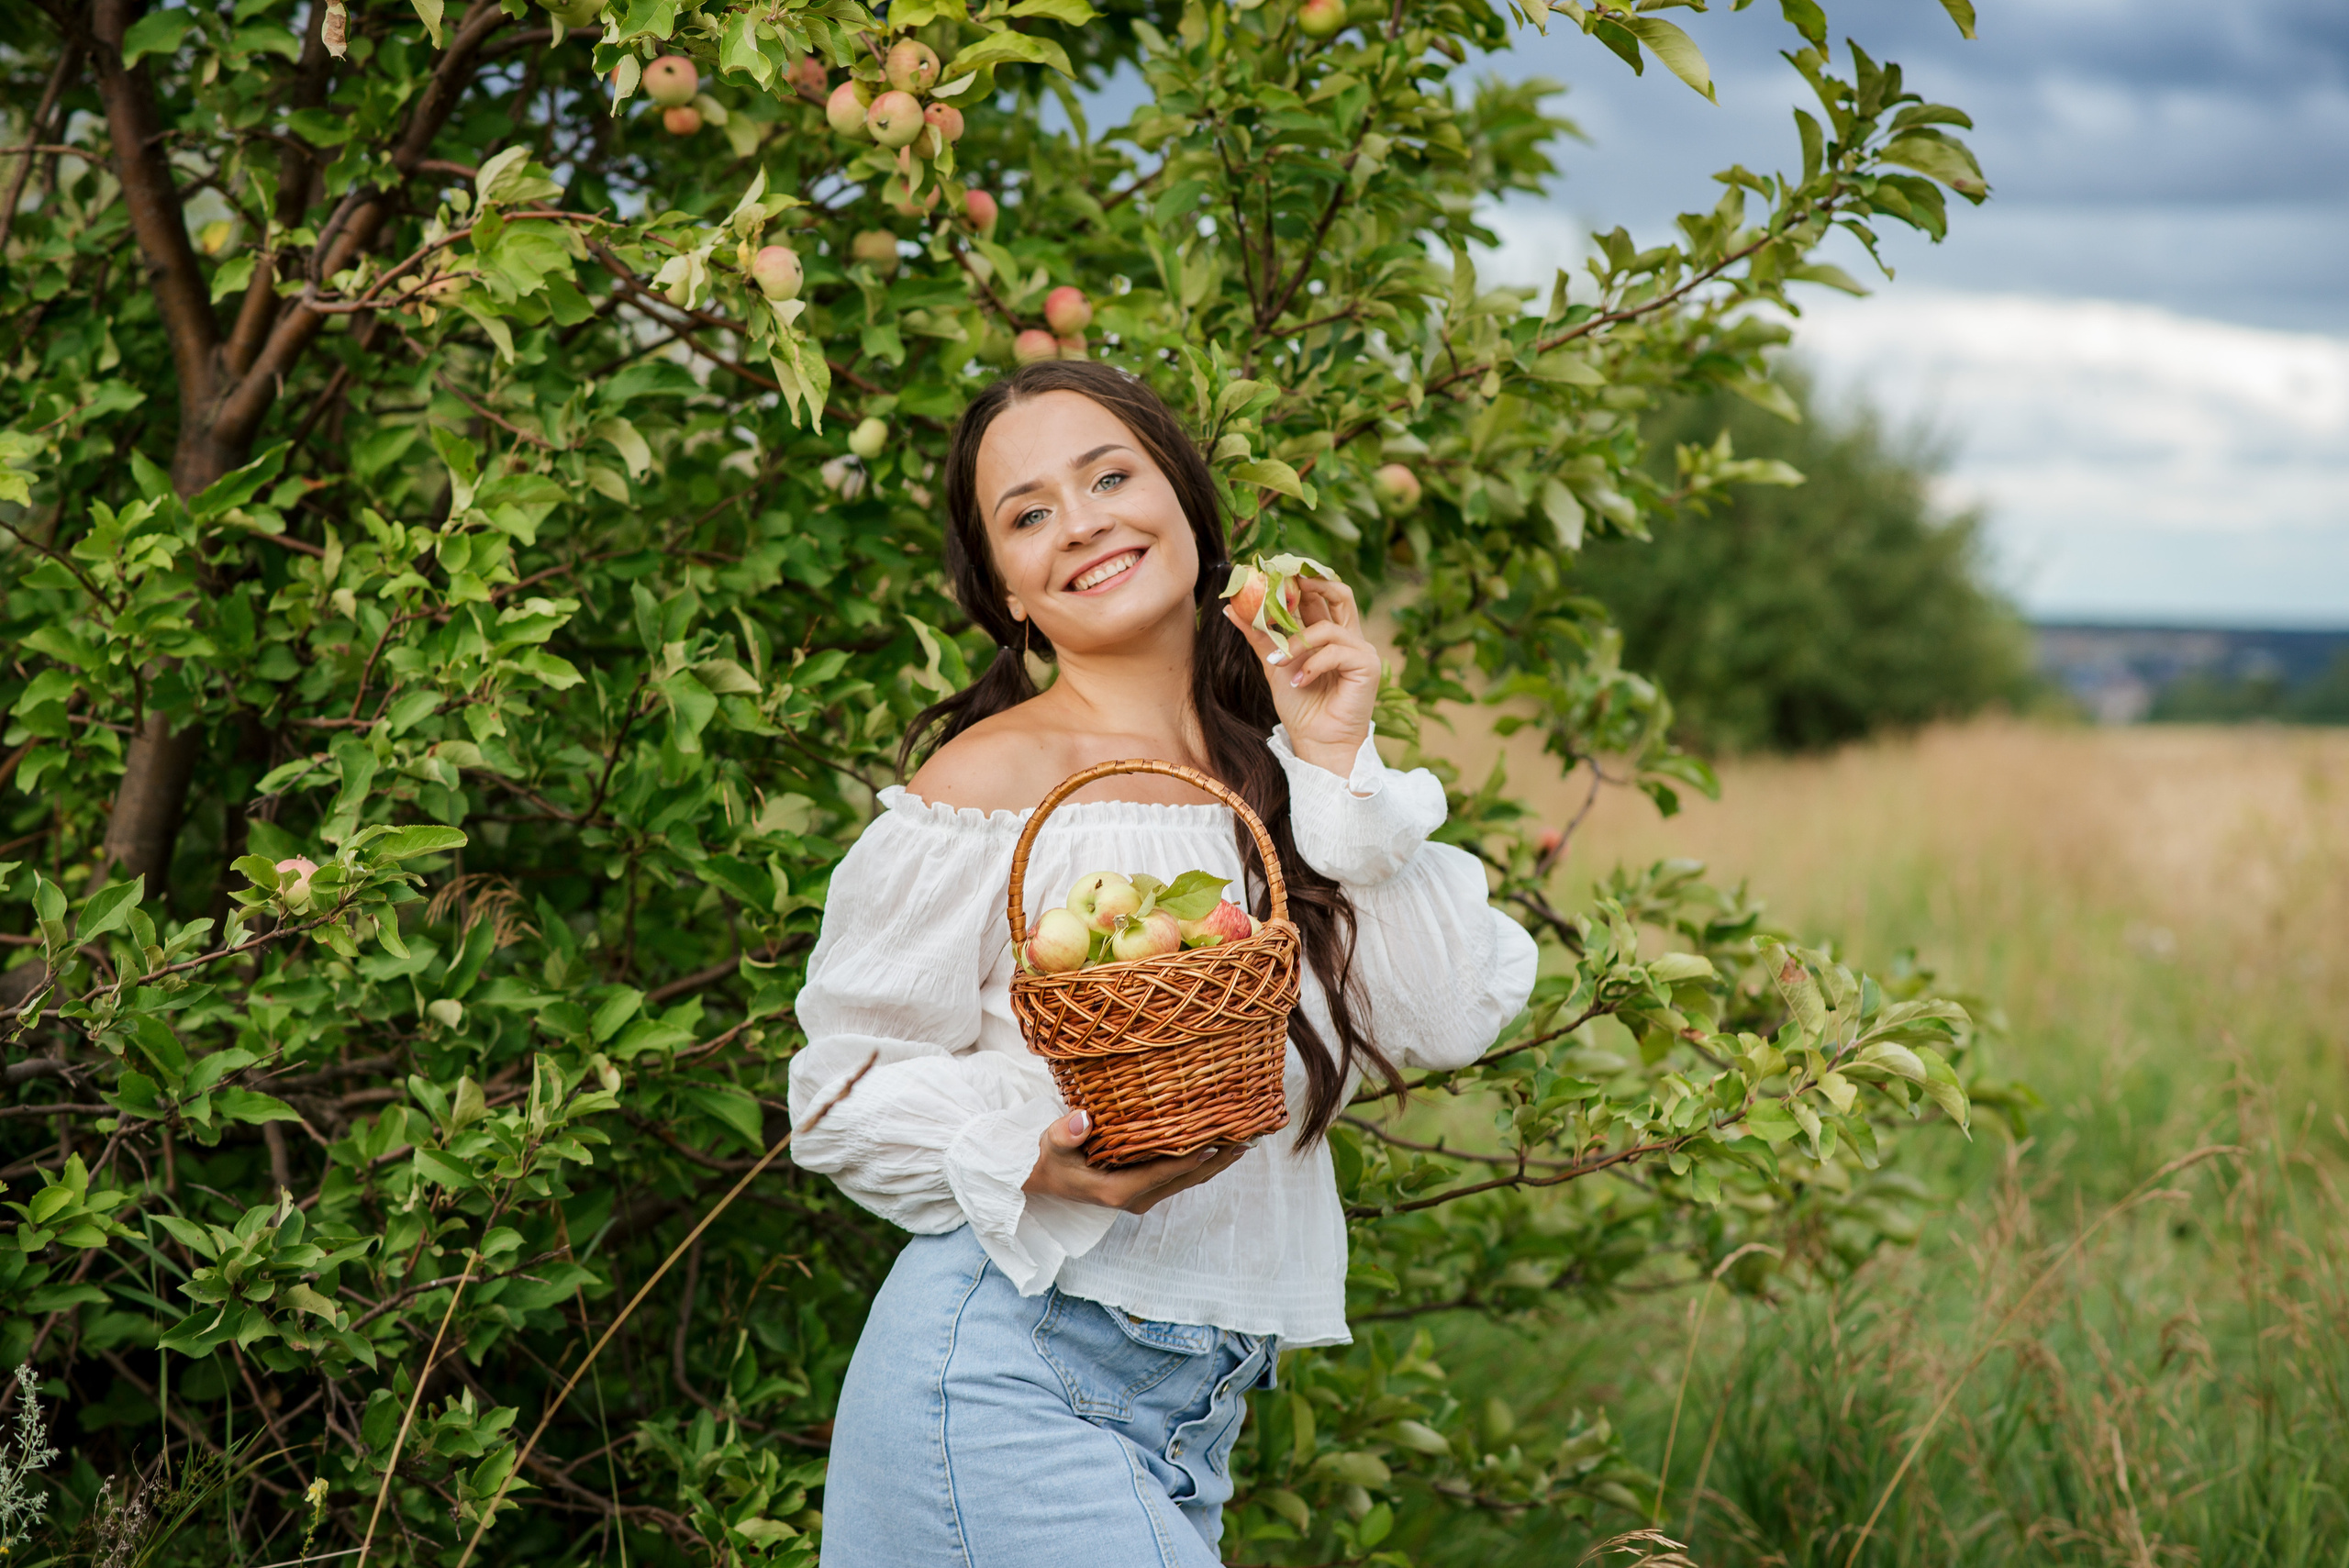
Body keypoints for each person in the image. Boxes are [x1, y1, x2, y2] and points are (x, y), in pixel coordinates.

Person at [786, 361, 1538, 1566]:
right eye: (1027, 513)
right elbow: (834, 1094)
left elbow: (1446, 1016)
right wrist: (1034, 1159)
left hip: (1189, 1413)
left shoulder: (1283, 778)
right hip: (1009, 1367)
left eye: (1109, 475)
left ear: (1190, 505)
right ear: (1010, 595)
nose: (1080, 521)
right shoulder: (989, 785)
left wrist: (1341, 760)